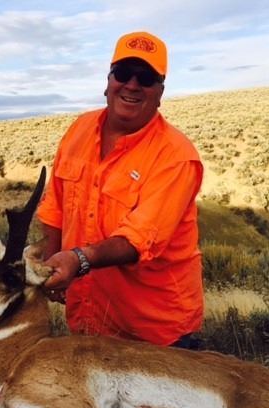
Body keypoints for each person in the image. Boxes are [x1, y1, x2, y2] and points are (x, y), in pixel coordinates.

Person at [36, 31, 204, 348]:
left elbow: (139, 239)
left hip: (154, 332)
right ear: (109, 80)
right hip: (89, 316)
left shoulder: (176, 157)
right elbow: (55, 206)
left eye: (146, 78)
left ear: (160, 92)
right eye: (124, 73)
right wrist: (50, 263)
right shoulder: (79, 130)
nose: (132, 85)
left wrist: (76, 260)